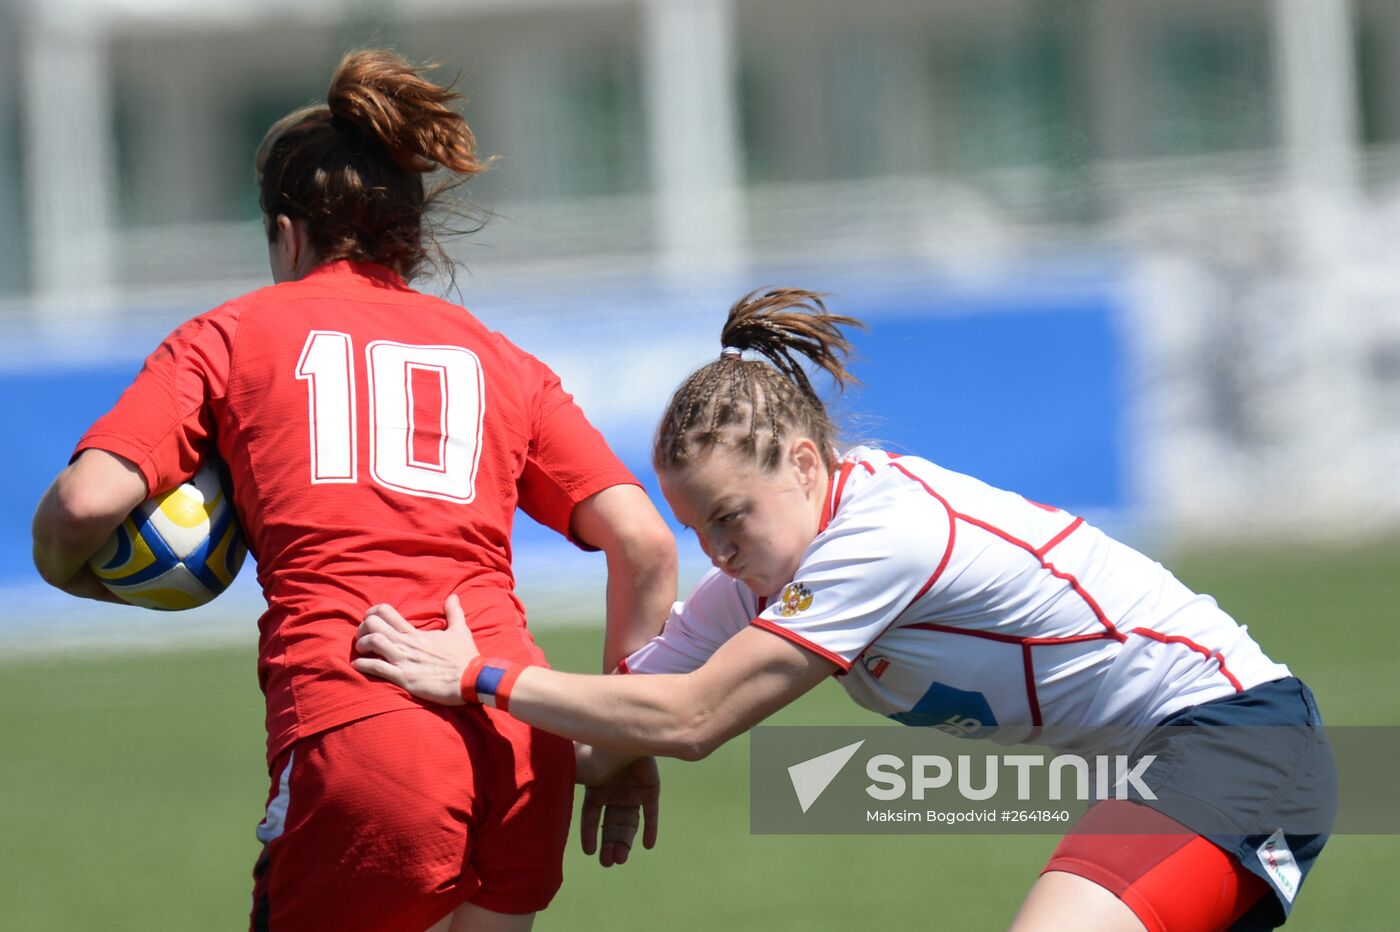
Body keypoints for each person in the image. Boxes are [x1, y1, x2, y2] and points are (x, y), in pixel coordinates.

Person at [353, 288, 1337, 931]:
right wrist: (424, 755)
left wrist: (479, 677)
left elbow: (688, 719)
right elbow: (618, 730)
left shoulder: (883, 534)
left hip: (1237, 745)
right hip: (1171, 766)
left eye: (730, 515)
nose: (717, 550)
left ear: (807, 462)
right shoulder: (756, 581)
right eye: (698, 528)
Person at [31, 49, 676, 932]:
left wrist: (66, 567)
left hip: (361, 722)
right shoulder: (501, 358)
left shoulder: (227, 337)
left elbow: (83, 503)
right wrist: (623, 739)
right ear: (405, 233)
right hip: (519, 734)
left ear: (287, 233)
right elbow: (644, 545)